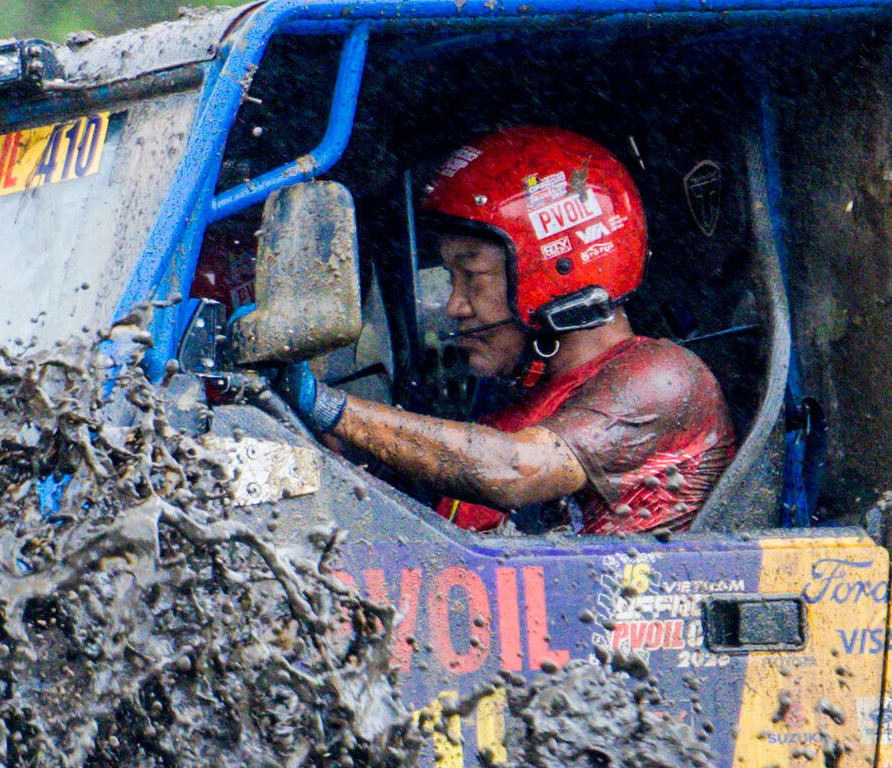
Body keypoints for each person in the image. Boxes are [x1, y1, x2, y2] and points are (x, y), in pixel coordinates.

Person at [275, 125, 730, 537]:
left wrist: (331, 407)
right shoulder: (515, 412)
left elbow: (515, 470)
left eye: (471, 276)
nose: (454, 306)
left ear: (556, 270)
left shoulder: (663, 379)